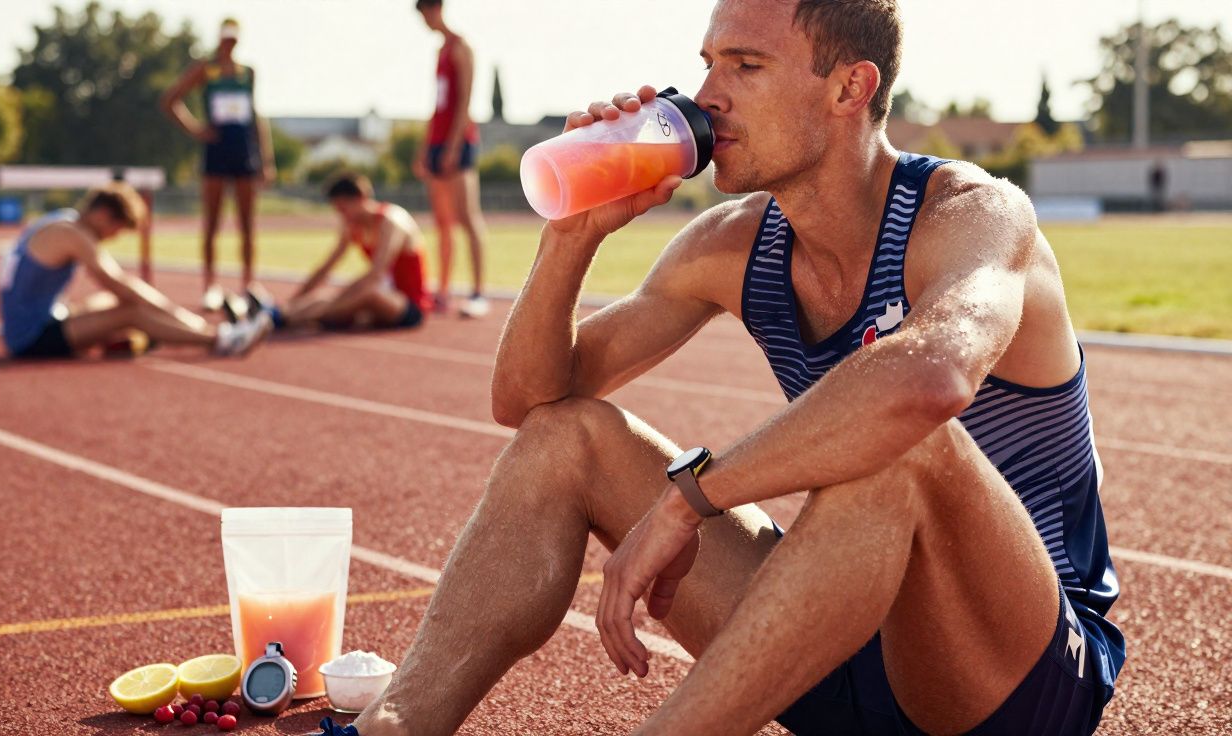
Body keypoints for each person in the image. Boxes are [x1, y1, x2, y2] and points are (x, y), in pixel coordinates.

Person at [315, 1, 1127, 735]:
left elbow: (928, 384)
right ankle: (395, 725)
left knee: (905, 442)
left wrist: (688, 500)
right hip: (836, 639)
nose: (707, 94)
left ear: (850, 87)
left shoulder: (972, 216)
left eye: (745, 66)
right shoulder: (733, 243)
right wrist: (571, 236)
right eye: (707, 63)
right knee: (566, 437)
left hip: (1014, 680)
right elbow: (525, 398)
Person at [0, 183, 271, 360]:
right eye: (117, 229)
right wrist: (175, 313)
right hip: (30, 339)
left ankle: (132, 339)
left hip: (39, 321)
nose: (112, 237)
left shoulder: (59, 221)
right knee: (132, 312)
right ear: (103, 214)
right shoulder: (72, 234)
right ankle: (219, 339)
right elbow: (118, 282)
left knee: (108, 303)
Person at [161, 17, 276, 313]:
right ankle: (210, 286)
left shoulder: (247, 72)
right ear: (219, 38)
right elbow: (171, 99)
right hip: (216, 150)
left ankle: (249, 285)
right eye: (225, 38)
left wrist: (266, 159)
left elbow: (256, 115)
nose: (229, 43)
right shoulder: (206, 69)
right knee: (211, 223)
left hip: (244, 151)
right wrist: (197, 130)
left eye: (233, 38)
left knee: (247, 224)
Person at [253, 174, 429, 332]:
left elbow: (376, 274)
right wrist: (293, 301)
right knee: (322, 297)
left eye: (344, 208)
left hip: (407, 304)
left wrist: (339, 299)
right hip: (381, 296)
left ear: (361, 198)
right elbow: (326, 268)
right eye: (338, 210)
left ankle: (280, 318)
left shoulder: (391, 222)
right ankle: (278, 311)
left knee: (366, 295)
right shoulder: (352, 226)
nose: (342, 216)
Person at [414, 0, 491, 318]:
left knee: (467, 217)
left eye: (428, 13)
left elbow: (464, 101)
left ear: (438, 9)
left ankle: (477, 292)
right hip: (436, 142)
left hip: (457, 143)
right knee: (442, 222)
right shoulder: (439, 52)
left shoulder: (461, 48)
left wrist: (453, 145)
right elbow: (438, 105)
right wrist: (425, 147)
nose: (426, 21)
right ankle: (443, 290)